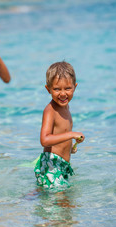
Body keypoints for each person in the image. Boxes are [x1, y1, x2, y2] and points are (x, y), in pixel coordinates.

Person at [34, 61, 85, 189]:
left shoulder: (66, 108)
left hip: (62, 165)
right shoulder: (50, 110)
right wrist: (71, 134)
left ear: (75, 87)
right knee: (62, 202)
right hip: (51, 164)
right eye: (57, 89)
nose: (63, 93)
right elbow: (45, 140)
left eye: (67, 88)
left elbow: (60, 135)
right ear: (48, 89)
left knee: (61, 202)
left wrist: (70, 148)